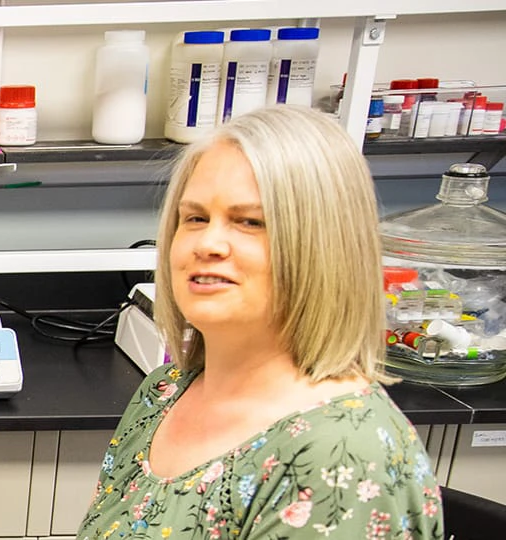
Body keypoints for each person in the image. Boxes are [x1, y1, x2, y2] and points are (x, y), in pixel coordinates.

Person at [76, 105, 443, 539]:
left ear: (325, 246)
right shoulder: (166, 392)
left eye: (249, 222)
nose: (208, 242)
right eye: (194, 218)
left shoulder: (341, 458)